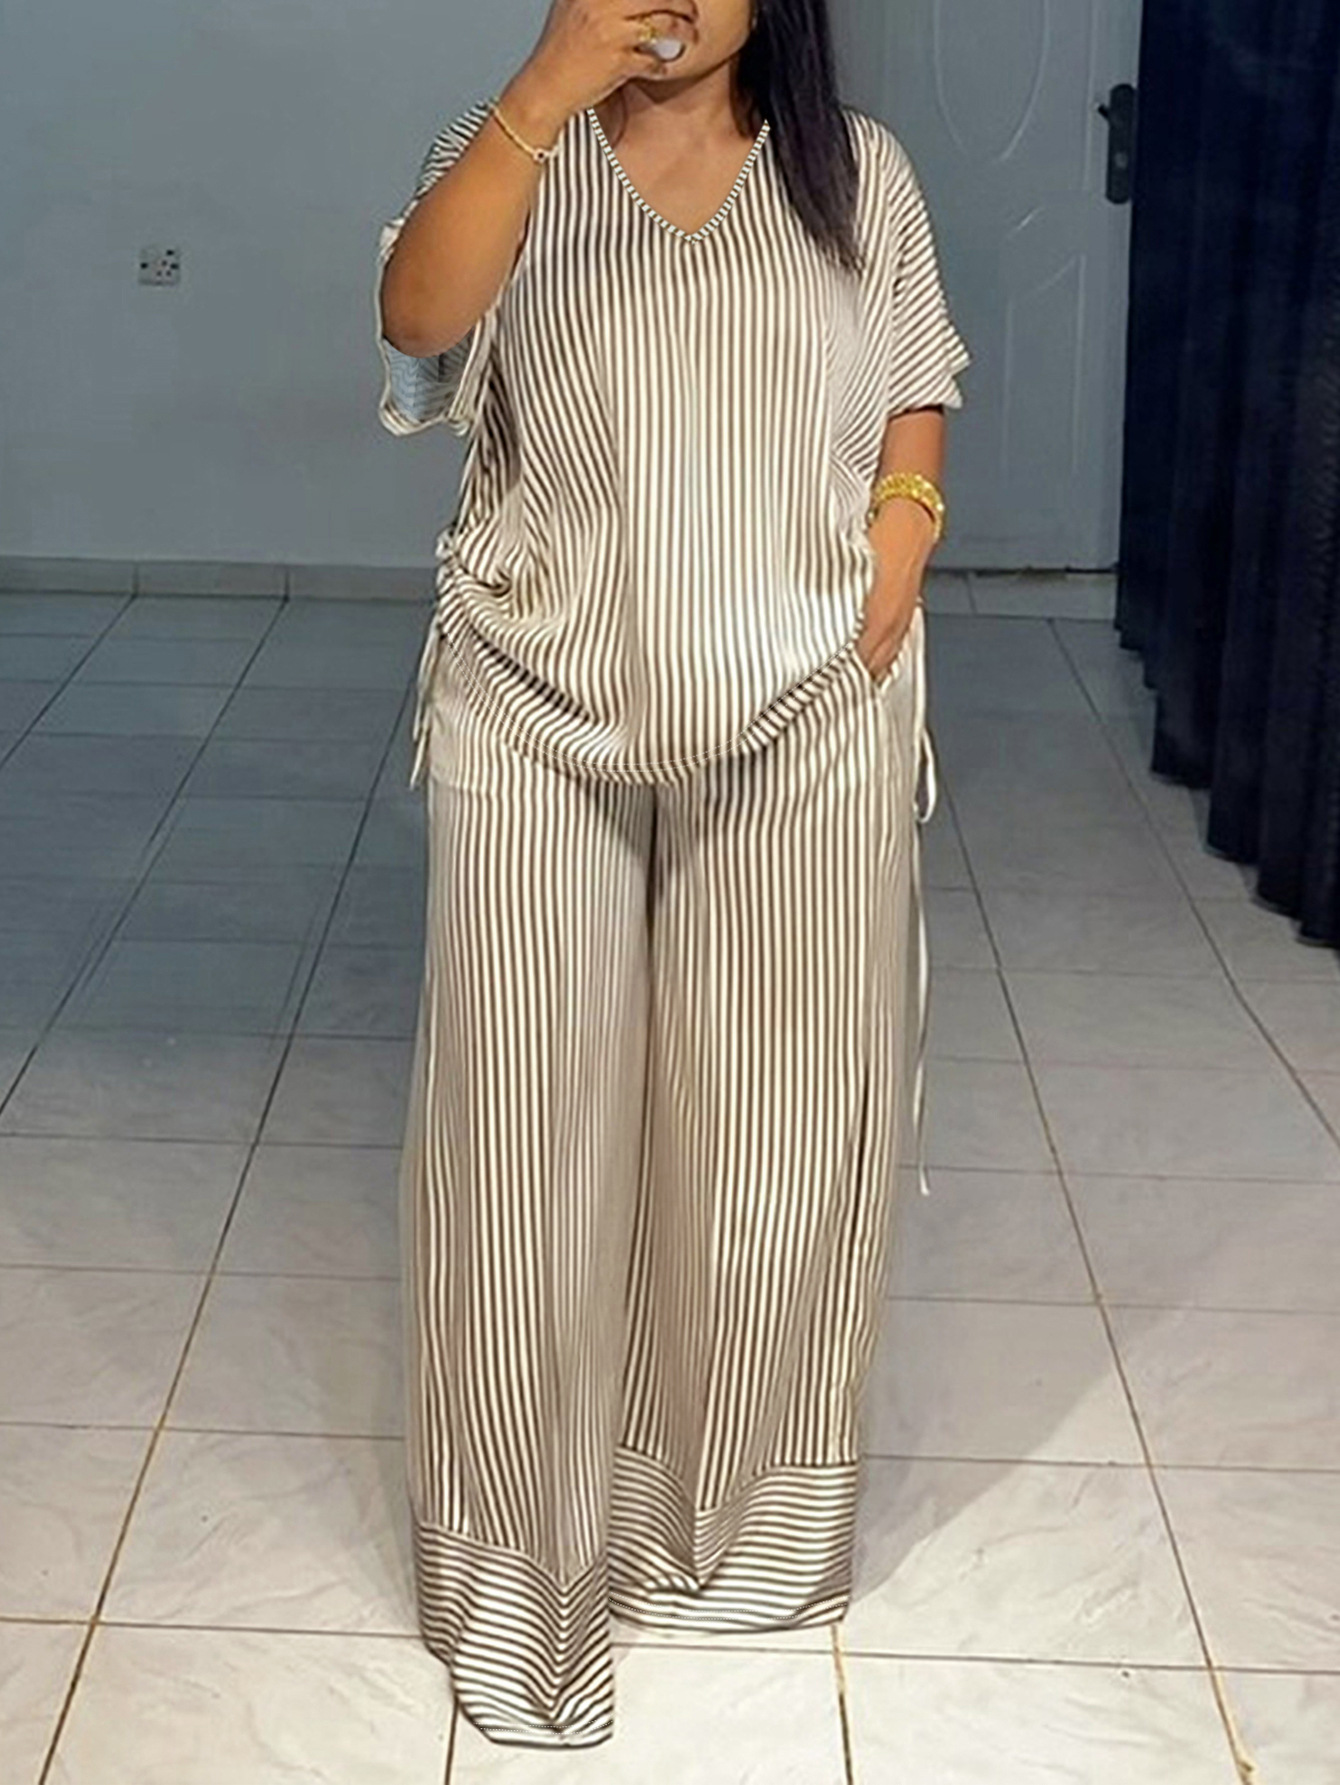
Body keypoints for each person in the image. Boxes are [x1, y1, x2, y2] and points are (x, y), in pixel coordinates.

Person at [374, 0, 970, 1750]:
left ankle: (729, 1539)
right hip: (532, 704)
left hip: (810, 710)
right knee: (521, 1151)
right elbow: (415, 324)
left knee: (776, 1134)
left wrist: (900, 547)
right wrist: (547, 88)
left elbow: (917, 381)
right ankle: (518, 1581)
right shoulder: (511, 152)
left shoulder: (860, 174)